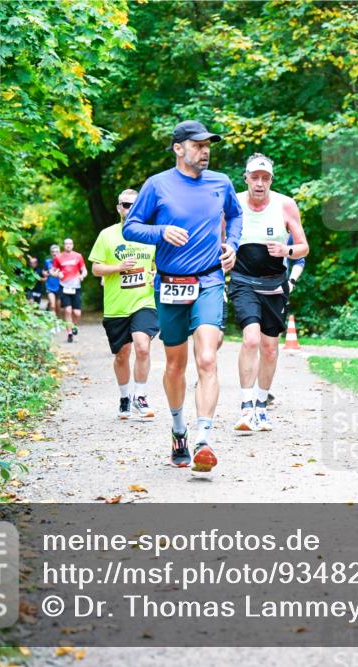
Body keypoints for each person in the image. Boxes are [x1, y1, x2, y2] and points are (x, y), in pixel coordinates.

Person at [123, 120, 242, 473]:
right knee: (175, 364)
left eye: (208, 145)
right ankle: (179, 431)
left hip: (209, 279)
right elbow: (132, 226)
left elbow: (235, 216)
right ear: (179, 148)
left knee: (207, 357)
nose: (205, 151)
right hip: (171, 283)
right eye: (197, 145)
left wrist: (232, 245)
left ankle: (204, 438)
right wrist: (161, 231)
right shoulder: (157, 185)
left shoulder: (220, 183)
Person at [229, 154, 308, 433]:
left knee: (270, 348)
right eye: (255, 177)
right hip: (242, 280)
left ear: (271, 180)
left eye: (265, 178)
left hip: (274, 284)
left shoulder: (285, 204)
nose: (260, 183)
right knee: (250, 339)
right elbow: (218, 237)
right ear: (246, 178)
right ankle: (245, 406)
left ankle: (261, 407)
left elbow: (303, 248)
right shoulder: (233, 202)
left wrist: (285, 250)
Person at [88, 188, 159, 420]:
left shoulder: (150, 234)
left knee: (142, 346)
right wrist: (118, 268)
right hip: (116, 305)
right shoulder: (107, 235)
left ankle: (140, 396)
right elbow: (96, 268)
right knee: (121, 354)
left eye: (134, 205)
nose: (130, 209)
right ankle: (124, 397)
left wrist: (155, 276)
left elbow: (161, 265)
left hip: (144, 301)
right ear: (119, 208)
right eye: (126, 205)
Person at [265, 235, 306, 407]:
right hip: (251, 287)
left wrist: (292, 282)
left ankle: (264, 389)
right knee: (253, 339)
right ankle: (253, 392)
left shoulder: (285, 230)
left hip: (279, 290)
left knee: (270, 343)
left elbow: (300, 260)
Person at [55, 238, 87, 343]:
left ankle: (73, 326)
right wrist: (57, 273)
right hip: (64, 286)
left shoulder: (78, 256)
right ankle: (69, 333)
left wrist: (82, 275)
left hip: (75, 287)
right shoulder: (59, 257)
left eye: (70, 243)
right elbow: (53, 270)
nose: (68, 245)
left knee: (77, 313)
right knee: (68, 310)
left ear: (73, 245)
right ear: (64, 245)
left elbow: (84, 270)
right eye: (66, 244)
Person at [44, 244, 62, 325]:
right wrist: (44, 273)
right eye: (53, 252)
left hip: (60, 286)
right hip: (50, 286)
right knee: (52, 305)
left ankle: (57, 321)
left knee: (58, 307)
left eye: (56, 252)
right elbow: (43, 271)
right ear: (50, 253)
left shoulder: (62, 263)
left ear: (59, 252)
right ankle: (53, 324)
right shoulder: (47, 262)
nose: (55, 253)